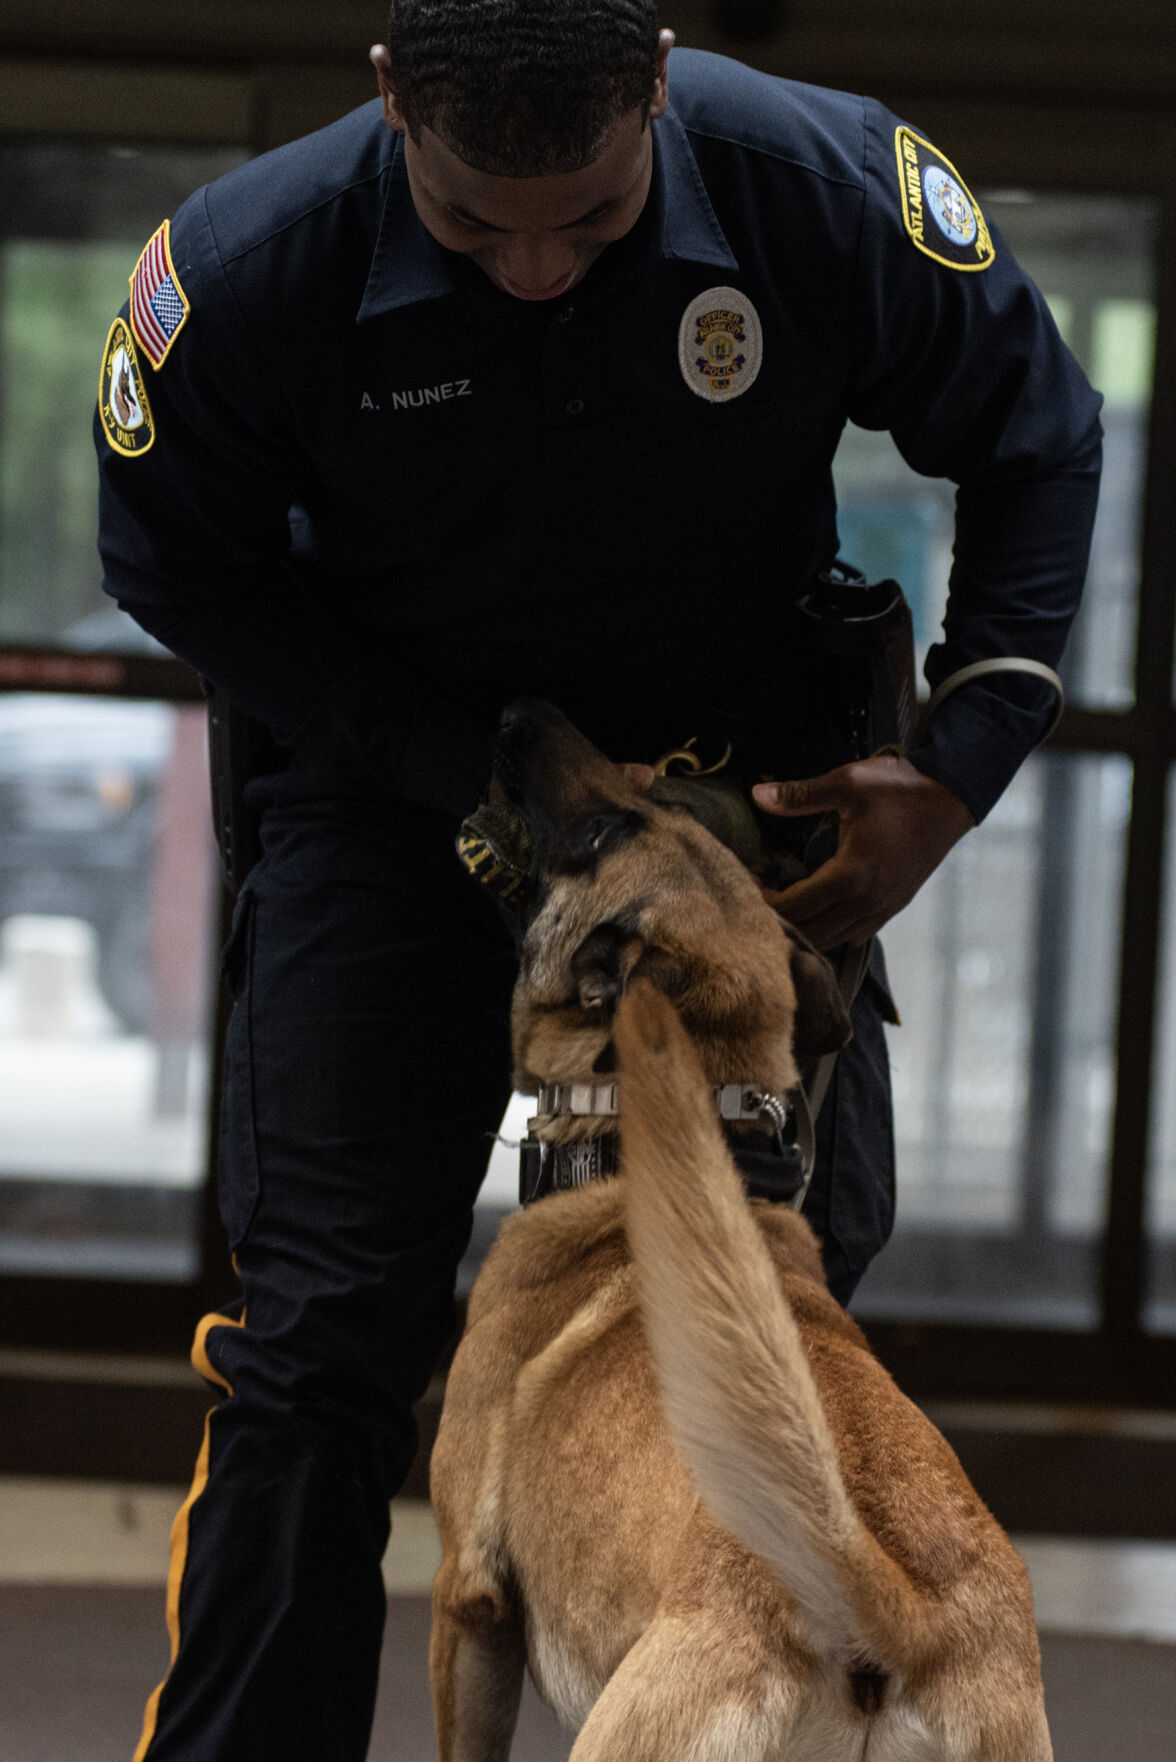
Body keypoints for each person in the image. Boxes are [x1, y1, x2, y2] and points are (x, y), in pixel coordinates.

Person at [94, 4, 1102, 1757]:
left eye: (593, 217)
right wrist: (446, 756)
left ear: (655, 78)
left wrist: (954, 766)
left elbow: (1039, 434)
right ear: (390, 95)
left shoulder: (821, 188)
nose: (542, 266)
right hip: (400, 788)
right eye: (479, 225)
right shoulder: (250, 271)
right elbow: (171, 560)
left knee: (779, 1285)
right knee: (320, 1338)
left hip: (732, 804)